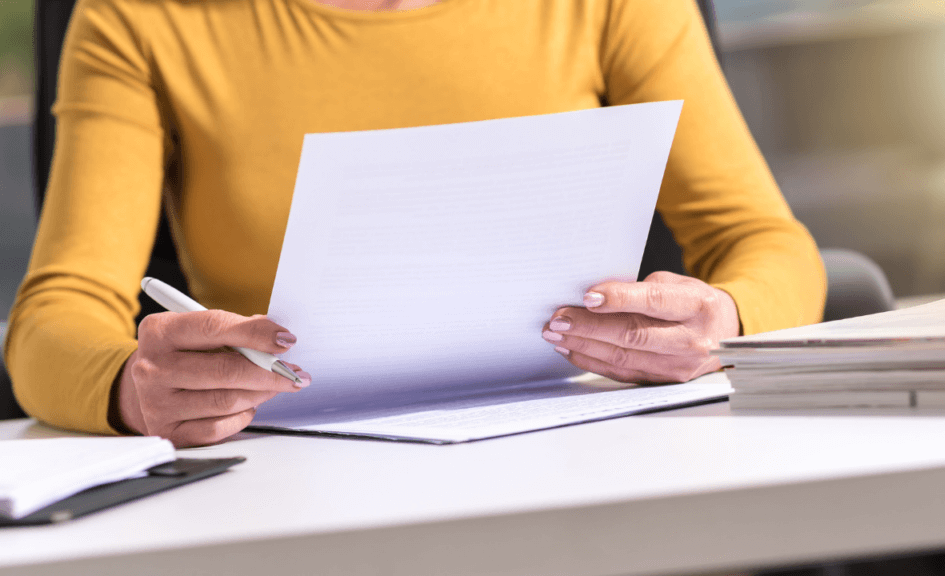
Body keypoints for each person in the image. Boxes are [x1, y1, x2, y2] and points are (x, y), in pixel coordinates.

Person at [3, 0, 826, 447]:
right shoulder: (140, 16)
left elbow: (765, 243)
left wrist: (727, 319)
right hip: (292, 481)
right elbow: (53, 320)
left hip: (586, 450)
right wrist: (131, 389)